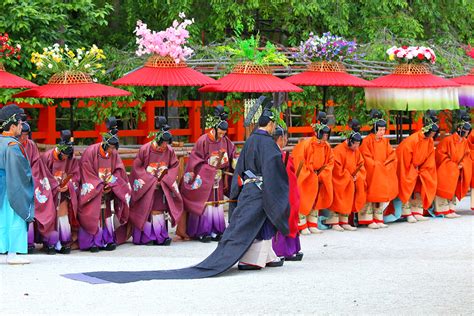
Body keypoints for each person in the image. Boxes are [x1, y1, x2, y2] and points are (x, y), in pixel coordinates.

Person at [72, 98, 290, 282]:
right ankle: (251, 258)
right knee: (255, 224)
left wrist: (220, 168)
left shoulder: (251, 141)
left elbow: (237, 162)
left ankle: (265, 255)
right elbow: (271, 168)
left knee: (251, 224)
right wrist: (150, 177)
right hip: (252, 188)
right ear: (270, 124)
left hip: (238, 185)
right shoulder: (266, 144)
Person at [180, 105, 236, 242]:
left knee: (217, 203)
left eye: (224, 133)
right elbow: (195, 159)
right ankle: (202, 231)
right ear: (215, 128)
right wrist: (209, 168)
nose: (222, 135)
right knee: (205, 202)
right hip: (205, 177)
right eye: (221, 132)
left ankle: (217, 230)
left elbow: (232, 154)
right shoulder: (203, 140)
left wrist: (233, 162)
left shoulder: (226, 141)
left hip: (218, 177)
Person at [78, 117, 131, 252]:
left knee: (106, 213)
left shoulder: (113, 154)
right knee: (93, 213)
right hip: (94, 188)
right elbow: (86, 173)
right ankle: (93, 242)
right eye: (111, 147)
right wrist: (100, 185)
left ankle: (107, 240)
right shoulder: (90, 152)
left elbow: (119, 171)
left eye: (114, 148)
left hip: (107, 187)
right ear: (105, 144)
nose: (112, 151)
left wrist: (112, 184)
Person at [129, 117, 183, 246]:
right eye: (163, 143)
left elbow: (174, 166)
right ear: (158, 140)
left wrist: (166, 179)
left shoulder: (169, 151)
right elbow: (137, 168)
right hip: (147, 185)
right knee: (146, 209)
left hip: (162, 184)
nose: (165, 146)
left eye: (167, 143)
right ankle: (146, 237)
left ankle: (160, 236)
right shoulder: (145, 149)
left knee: (159, 209)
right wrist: (150, 180)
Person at [0, 104, 34, 264]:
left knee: (2, 218)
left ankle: (4, 250)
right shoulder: (12, 146)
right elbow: (20, 172)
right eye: (20, 123)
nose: (21, 126)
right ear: (12, 126)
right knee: (14, 217)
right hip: (10, 187)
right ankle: (12, 252)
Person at [292, 112, 334, 234]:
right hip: (307, 175)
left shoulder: (327, 146)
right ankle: (302, 224)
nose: (325, 137)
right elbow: (300, 161)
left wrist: (323, 173)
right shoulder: (307, 144)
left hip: (319, 175)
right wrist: (310, 173)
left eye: (327, 134)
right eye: (324, 134)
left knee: (316, 199)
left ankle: (312, 223)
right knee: (304, 198)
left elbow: (330, 162)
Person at [19, 121, 57, 254]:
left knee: (46, 199)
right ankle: (26, 242)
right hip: (16, 181)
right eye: (22, 135)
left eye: (26, 135)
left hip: (33, 179)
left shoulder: (31, 145)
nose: (24, 138)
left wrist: (30, 179)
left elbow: (36, 165)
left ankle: (48, 240)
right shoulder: (12, 144)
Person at [41, 130, 80, 253]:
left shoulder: (70, 158)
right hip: (48, 192)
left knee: (63, 215)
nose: (64, 158)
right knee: (49, 216)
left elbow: (75, 175)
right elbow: (41, 175)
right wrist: (53, 185)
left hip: (63, 191)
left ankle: (64, 242)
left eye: (67, 156)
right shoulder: (47, 157)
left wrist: (68, 185)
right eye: (63, 155)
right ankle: (50, 242)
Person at [396, 111, 438, 223]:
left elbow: (429, 158)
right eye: (432, 132)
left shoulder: (429, 140)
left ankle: (417, 211)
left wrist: (423, 170)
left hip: (419, 167)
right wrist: (413, 170)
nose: (433, 135)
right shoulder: (412, 140)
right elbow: (404, 157)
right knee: (406, 186)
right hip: (407, 166)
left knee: (423, 182)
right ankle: (407, 212)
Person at [359, 110, 398, 229]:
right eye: (380, 130)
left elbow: (391, 155)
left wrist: (386, 164)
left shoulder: (385, 141)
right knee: (371, 194)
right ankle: (368, 219)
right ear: (374, 128)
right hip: (372, 172)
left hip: (382, 170)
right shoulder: (367, 141)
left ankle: (378, 218)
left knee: (380, 194)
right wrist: (376, 166)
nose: (382, 132)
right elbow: (365, 157)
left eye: (383, 130)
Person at [326, 119, 366, 231]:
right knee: (339, 194)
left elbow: (361, 165)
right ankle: (334, 221)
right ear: (349, 141)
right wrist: (347, 176)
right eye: (355, 144)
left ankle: (344, 221)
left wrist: (357, 176)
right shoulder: (339, 150)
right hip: (339, 179)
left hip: (351, 179)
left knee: (350, 194)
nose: (356, 147)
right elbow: (336, 168)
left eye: (358, 145)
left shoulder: (357, 151)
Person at [271, 126, 303, 261]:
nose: (286, 141)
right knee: (285, 218)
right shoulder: (275, 155)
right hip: (283, 192)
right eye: (285, 138)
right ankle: (283, 250)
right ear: (280, 139)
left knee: (292, 216)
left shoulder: (281, 154)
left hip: (290, 190)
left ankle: (292, 248)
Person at [434, 111, 472, 218]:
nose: (467, 133)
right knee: (444, 185)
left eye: (468, 131)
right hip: (446, 168)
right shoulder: (447, 140)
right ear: (459, 129)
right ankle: (442, 210)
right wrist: (452, 165)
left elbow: (467, 155)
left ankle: (451, 208)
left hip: (457, 168)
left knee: (454, 187)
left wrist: (463, 164)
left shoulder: (464, 142)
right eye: (465, 131)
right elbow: (440, 155)